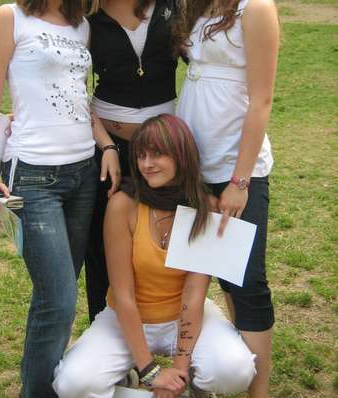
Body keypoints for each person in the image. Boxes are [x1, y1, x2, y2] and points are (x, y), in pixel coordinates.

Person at [0, 0, 121, 398]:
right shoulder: (10, 17)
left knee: (60, 295)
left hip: (82, 175)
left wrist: (106, 145)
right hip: (32, 178)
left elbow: (79, 99)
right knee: (58, 300)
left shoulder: (81, 26)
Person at [53, 114, 257, 398]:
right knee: (72, 384)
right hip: (127, 319)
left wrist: (179, 372)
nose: (147, 164)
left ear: (181, 155)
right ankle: (132, 380)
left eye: (157, 154)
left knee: (235, 371)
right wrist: (150, 371)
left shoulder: (204, 207)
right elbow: (123, 295)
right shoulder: (123, 205)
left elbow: (193, 295)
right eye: (141, 156)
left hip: (183, 317)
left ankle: (193, 385)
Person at [173, 0, 279, 398]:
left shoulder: (255, 5)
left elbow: (261, 101)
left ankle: (258, 392)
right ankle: (221, 370)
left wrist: (240, 181)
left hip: (235, 170)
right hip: (195, 165)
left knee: (245, 282)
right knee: (206, 275)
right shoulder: (204, 2)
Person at [85, 0, 183, 321]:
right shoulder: (87, 1)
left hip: (165, 149)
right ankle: (105, 333)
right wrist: (105, 145)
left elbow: (201, 57)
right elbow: (69, 85)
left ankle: (175, 334)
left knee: (167, 243)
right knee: (102, 248)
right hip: (107, 149)